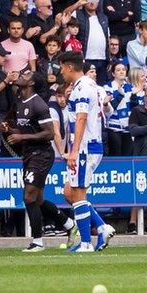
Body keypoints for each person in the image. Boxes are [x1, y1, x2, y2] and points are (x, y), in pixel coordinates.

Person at [0, 70, 76, 252]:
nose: (21, 76)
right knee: (38, 198)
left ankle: (37, 241)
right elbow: (23, 127)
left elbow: (49, 133)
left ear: (32, 83)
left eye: (25, 75)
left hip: (41, 154)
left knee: (29, 196)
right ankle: (68, 224)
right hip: (29, 154)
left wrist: (22, 137)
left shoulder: (39, 104)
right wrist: (8, 129)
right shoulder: (20, 100)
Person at [58, 51, 115, 252]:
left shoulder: (82, 88)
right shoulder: (92, 86)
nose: (61, 72)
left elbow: (81, 118)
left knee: (78, 193)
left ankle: (85, 243)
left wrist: (73, 151)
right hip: (90, 144)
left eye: (62, 67)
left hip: (84, 147)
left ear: (70, 67)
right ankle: (102, 227)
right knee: (69, 192)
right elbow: (105, 111)